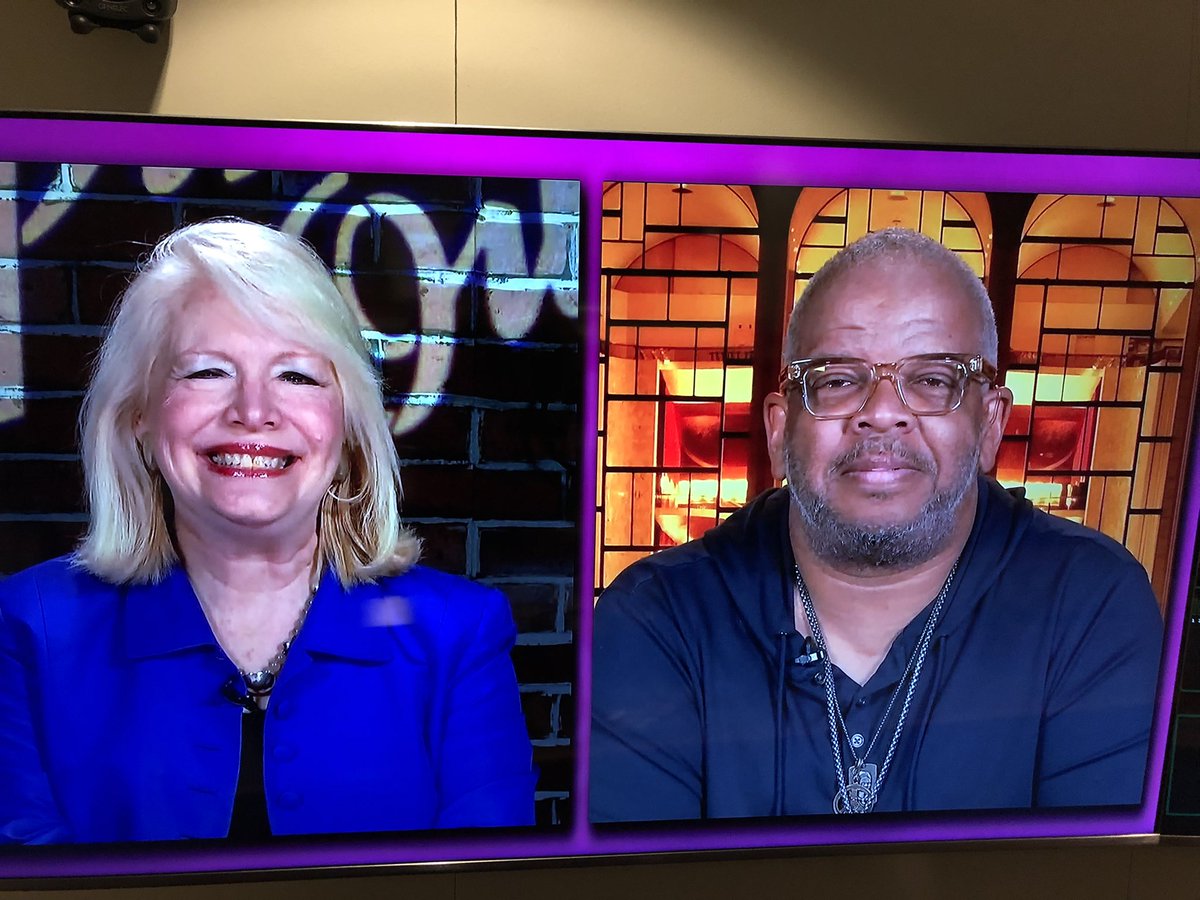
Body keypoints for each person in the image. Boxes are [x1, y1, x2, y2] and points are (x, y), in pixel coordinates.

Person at [590, 227, 1164, 822]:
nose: (883, 413)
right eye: (839, 380)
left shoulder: (1091, 603)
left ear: (992, 423)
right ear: (780, 428)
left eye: (933, 379)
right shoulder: (658, 617)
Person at [0, 219, 536, 843]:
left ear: (346, 424)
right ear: (140, 414)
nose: (253, 412)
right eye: (206, 372)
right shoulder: (25, 628)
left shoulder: (460, 634)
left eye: (298, 375)